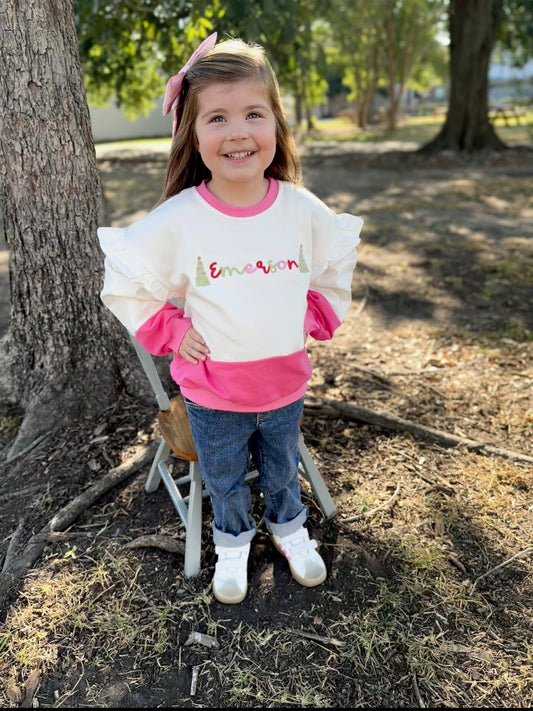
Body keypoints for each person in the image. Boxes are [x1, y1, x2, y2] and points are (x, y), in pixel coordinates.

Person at [98, 31, 363, 605]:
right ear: (192, 135)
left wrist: (315, 312)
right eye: (217, 118)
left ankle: (291, 530)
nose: (238, 132)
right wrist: (171, 330)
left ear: (276, 125)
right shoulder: (182, 218)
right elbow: (128, 277)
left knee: (281, 464)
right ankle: (234, 541)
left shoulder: (298, 207)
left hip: (283, 382)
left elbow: (332, 259)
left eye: (253, 113)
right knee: (222, 476)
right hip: (214, 392)